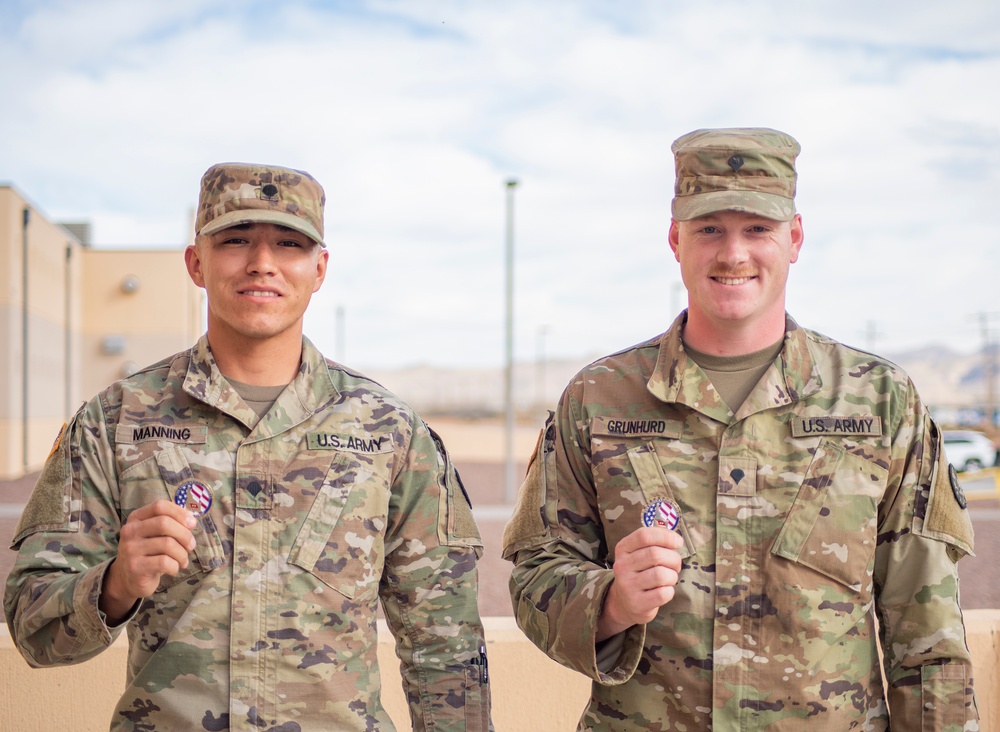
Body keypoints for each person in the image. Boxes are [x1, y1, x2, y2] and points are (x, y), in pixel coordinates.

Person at [502, 128, 978, 730]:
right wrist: (612, 601)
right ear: (675, 240)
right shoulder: (598, 398)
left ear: (794, 238)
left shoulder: (880, 400)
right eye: (709, 229)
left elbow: (927, 630)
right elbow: (535, 577)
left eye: (757, 229)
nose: (733, 254)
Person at [5, 163, 492, 731]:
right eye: (236, 240)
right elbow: (33, 629)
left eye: (289, 244)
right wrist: (114, 585)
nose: (262, 262)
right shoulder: (113, 422)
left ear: (319, 269)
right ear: (196, 263)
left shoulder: (390, 431)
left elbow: (446, 646)